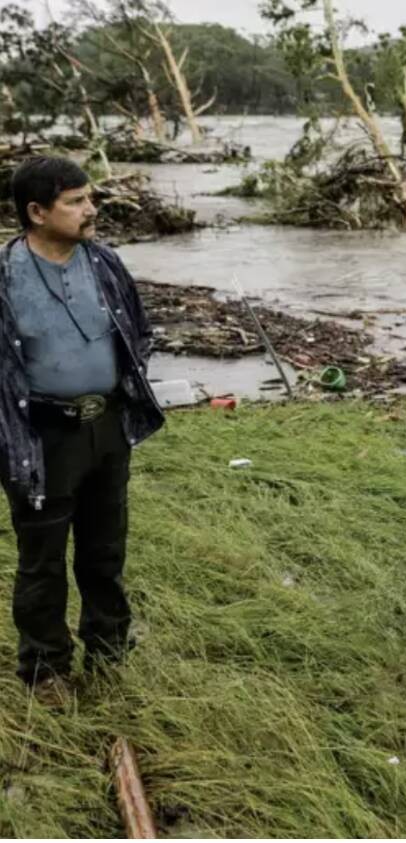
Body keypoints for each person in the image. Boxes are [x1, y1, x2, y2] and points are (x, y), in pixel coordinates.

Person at [0, 156, 164, 704]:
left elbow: (138, 332)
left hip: (108, 430)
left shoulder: (106, 263)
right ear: (36, 212)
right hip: (42, 439)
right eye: (75, 202)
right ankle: (45, 670)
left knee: (103, 550)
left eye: (89, 199)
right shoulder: (5, 278)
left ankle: (110, 650)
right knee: (42, 559)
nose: (91, 210)